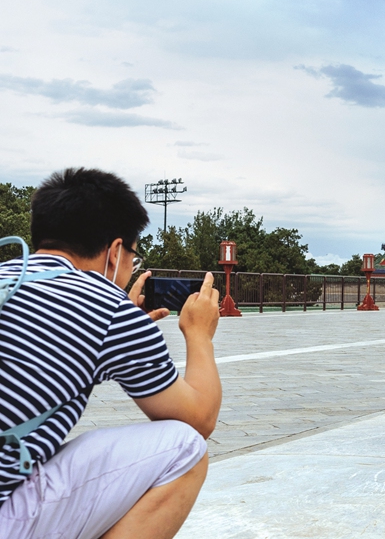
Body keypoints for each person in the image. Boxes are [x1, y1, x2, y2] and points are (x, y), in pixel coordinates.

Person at [0, 168, 220, 539]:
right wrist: (199, 334)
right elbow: (198, 419)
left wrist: (123, 333)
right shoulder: (107, 306)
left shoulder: (8, 275)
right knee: (185, 449)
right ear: (116, 251)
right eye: (133, 254)